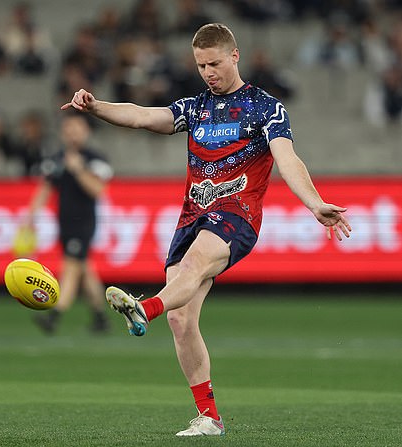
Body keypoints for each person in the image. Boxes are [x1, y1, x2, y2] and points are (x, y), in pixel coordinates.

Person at [61, 23, 351, 437]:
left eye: (215, 63)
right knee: (182, 321)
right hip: (192, 217)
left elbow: (288, 160)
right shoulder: (195, 107)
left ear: (235, 56)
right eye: (201, 65)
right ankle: (208, 417)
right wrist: (95, 107)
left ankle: (144, 308)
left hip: (237, 215)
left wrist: (315, 203)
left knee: (195, 265)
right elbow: (144, 116)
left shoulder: (265, 108)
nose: (208, 72)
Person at [25, 113, 113, 335]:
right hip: (64, 223)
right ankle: (101, 318)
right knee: (86, 271)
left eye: (77, 128)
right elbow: (45, 189)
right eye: (68, 129)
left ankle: (54, 316)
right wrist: (31, 216)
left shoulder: (94, 159)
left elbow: (98, 190)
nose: (72, 133)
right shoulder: (55, 159)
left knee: (71, 268)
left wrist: (78, 169)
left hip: (84, 223)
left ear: (86, 132)